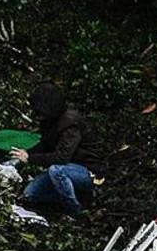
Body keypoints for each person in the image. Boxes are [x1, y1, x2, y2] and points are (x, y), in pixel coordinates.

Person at [12, 82, 107, 215]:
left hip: (88, 171)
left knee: (56, 170)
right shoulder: (51, 121)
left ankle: (75, 210)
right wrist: (26, 153)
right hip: (69, 168)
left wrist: (30, 158)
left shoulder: (70, 124)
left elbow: (61, 158)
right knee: (30, 194)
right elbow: (46, 144)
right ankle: (74, 195)